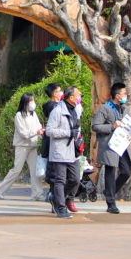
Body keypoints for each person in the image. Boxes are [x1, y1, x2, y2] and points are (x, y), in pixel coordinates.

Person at [92, 82, 131, 214]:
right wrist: (112, 127)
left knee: (126, 171)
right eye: (124, 94)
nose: (126, 96)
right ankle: (111, 203)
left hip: (122, 144)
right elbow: (95, 126)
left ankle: (109, 191)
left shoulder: (125, 109)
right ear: (117, 95)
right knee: (110, 172)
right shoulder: (106, 108)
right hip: (110, 145)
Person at [0, 92, 44, 200]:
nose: (33, 103)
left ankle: (37, 194)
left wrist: (41, 132)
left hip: (32, 145)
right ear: (25, 102)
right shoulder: (19, 115)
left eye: (33, 100)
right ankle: (1, 189)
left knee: (34, 170)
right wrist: (36, 132)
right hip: (22, 146)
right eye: (30, 101)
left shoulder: (33, 114)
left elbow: (38, 126)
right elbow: (23, 133)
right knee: (16, 169)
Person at [44, 86, 83, 219]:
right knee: (60, 179)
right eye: (78, 95)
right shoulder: (58, 111)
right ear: (71, 98)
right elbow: (49, 130)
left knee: (75, 179)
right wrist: (67, 133)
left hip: (72, 150)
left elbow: (77, 128)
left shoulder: (76, 110)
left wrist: (77, 137)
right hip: (60, 150)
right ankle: (61, 208)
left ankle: (57, 198)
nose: (80, 97)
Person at [39, 83, 64, 200]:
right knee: (55, 169)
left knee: (54, 169)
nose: (61, 92)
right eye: (60, 91)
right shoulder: (52, 106)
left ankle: (52, 193)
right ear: (54, 94)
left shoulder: (53, 105)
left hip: (51, 141)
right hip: (53, 142)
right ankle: (52, 194)